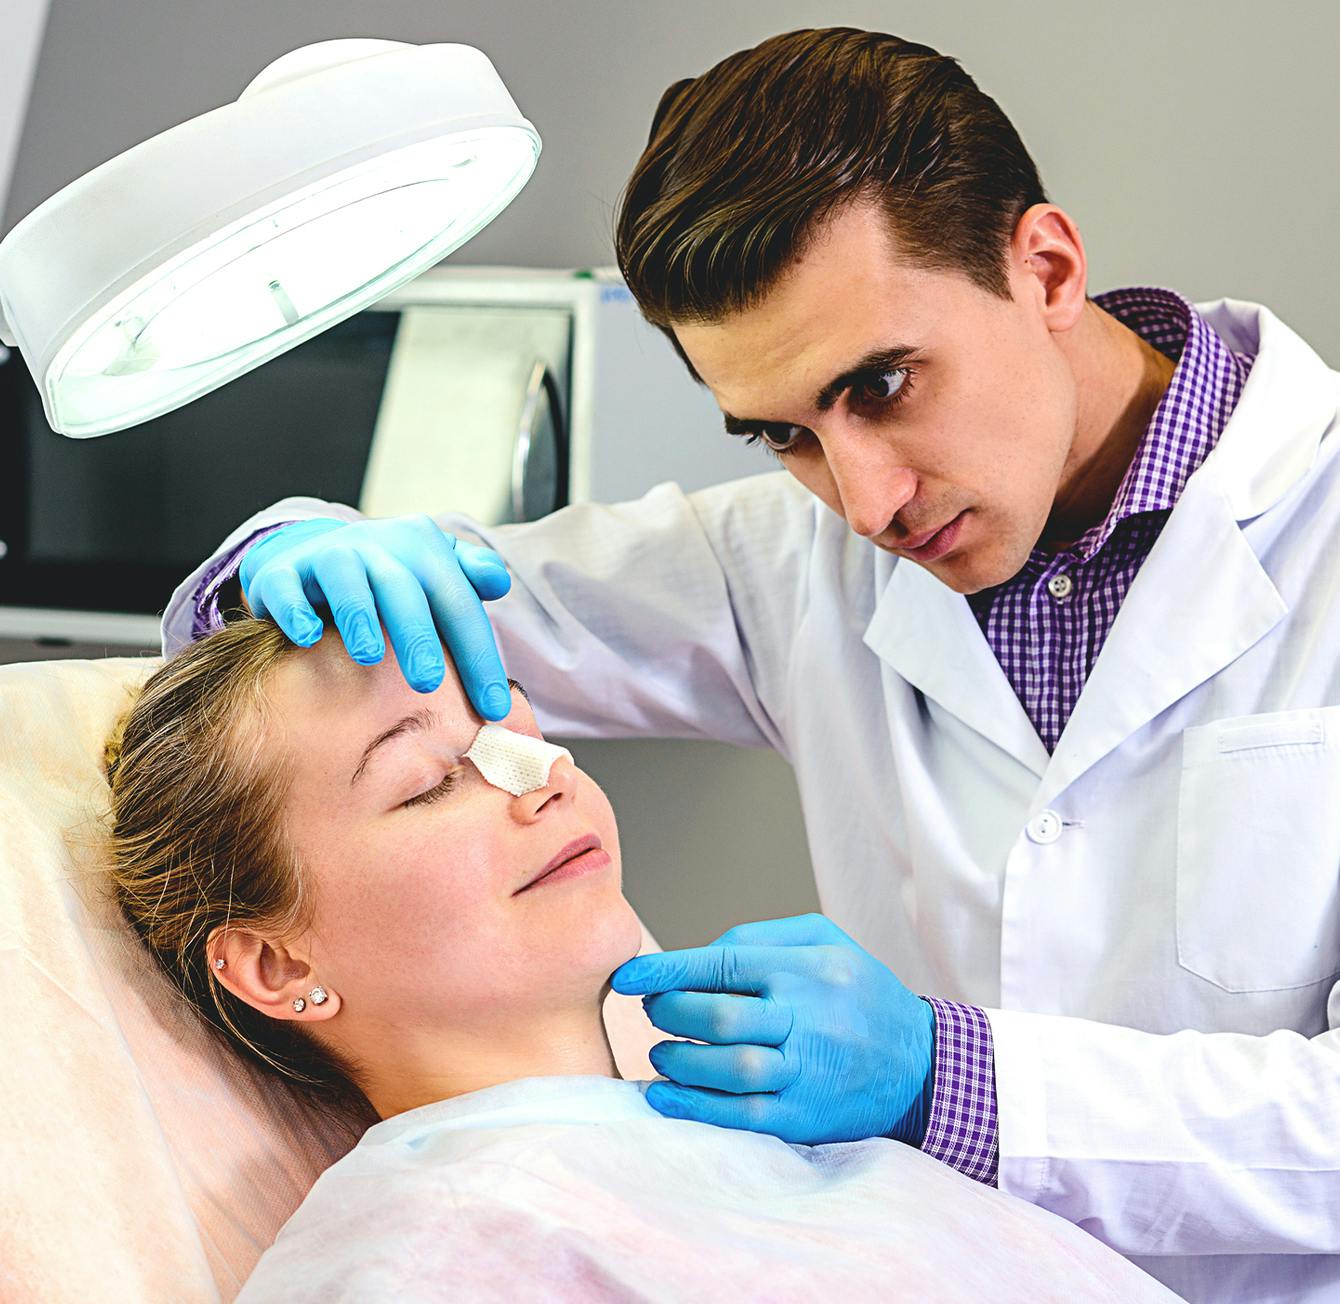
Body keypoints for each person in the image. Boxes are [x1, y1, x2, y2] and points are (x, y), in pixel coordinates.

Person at [160, 26, 1340, 1304]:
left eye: (883, 384)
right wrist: (287, 554)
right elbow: (381, 660)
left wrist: (953, 1081)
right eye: (782, 433)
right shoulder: (792, 556)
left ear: (1044, 266)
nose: (865, 501)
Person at [103, 619, 1175, 1302]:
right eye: (428, 778)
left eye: (519, 731)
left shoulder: (761, 1131)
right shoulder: (439, 1248)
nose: (542, 777)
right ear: (275, 967)